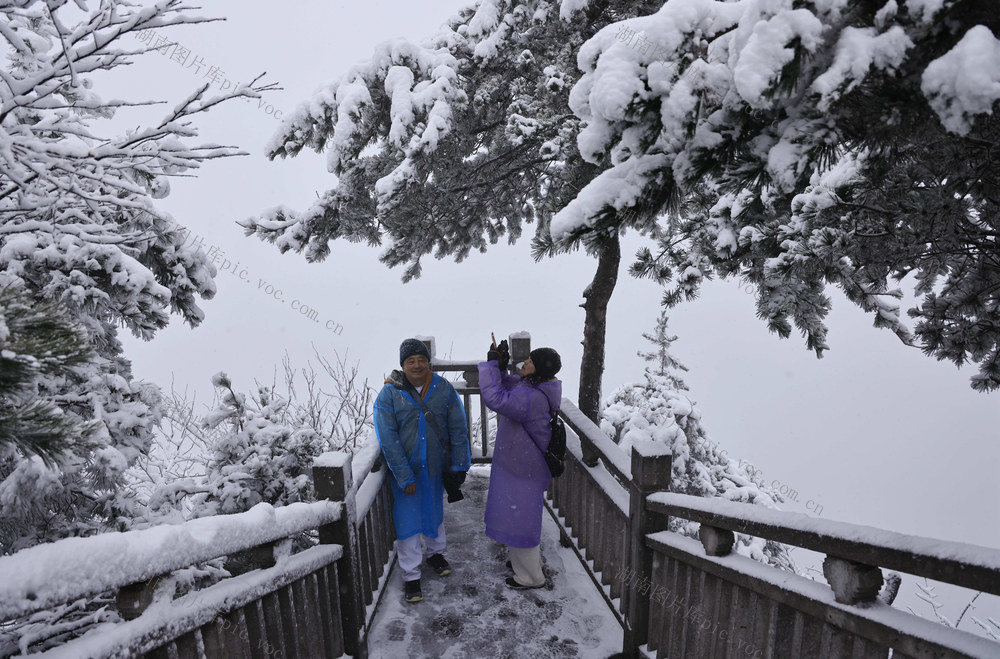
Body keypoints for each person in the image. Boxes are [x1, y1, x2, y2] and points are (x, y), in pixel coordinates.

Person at [374, 338, 471, 603]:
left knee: (434, 510)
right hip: (406, 470)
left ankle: (436, 553)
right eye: (410, 361)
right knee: (407, 520)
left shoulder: (442, 389)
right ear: (402, 365)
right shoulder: (390, 394)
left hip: (436, 466)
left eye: (421, 359)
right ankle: (411, 574)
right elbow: (387, 437)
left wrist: (460, 464)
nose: (417, 365)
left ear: (428, 362)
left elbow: (458, 428)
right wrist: (404, 475)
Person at [478, 340, 562, 589]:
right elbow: (506, 386)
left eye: (530, 362)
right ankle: (522, 566)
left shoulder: (531, 397)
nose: (525, 363)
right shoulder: (536, 386)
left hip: (524, 467)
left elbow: (496, 398)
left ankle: (531, 577)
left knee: (522, 520)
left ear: (538, 370)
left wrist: (492, 364)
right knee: (517, 515)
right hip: (521, 464)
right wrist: (500, 368)